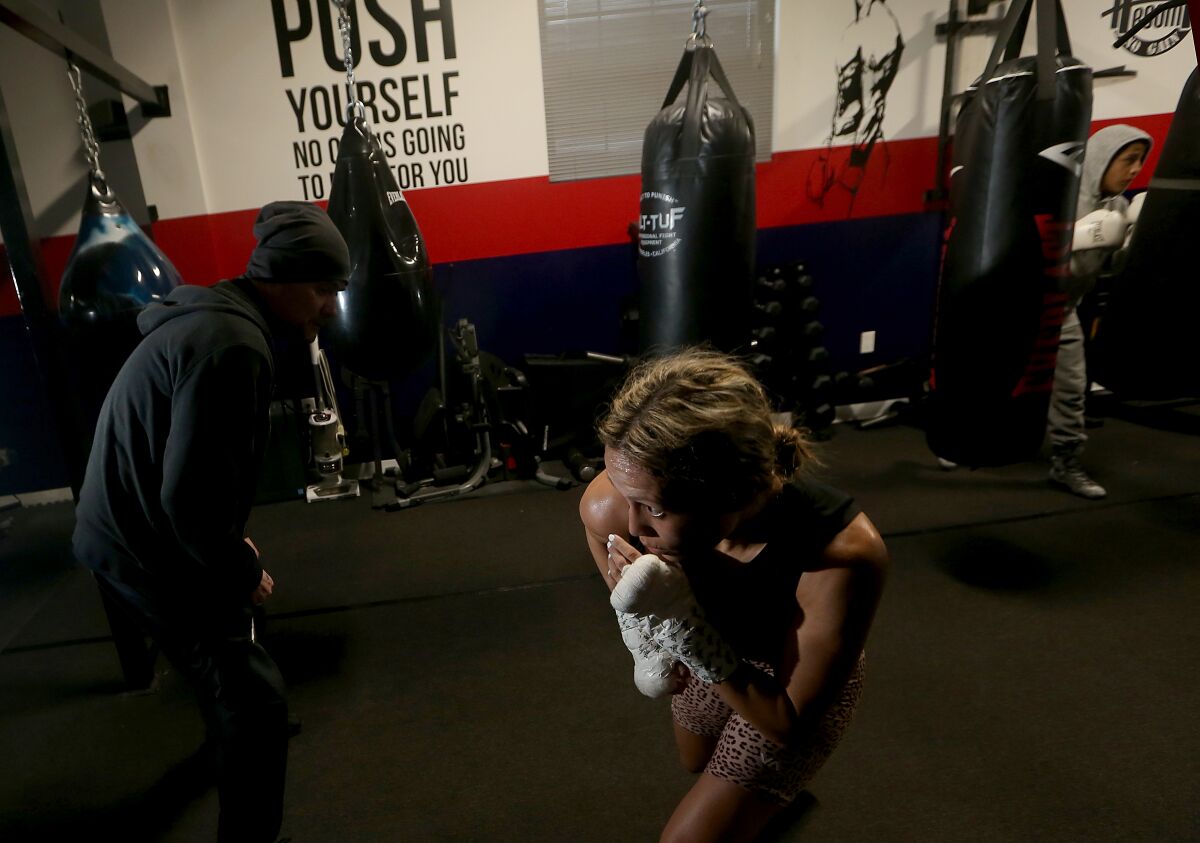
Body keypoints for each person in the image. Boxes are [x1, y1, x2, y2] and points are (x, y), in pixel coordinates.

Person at [72, 200, 350, 843]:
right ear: (278, 279)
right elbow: (191, 507)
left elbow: (194, 483)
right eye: (320, 289)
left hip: (133, 525)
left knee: (236, 640)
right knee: (256, 701)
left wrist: (226, 544)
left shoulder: (217, 317)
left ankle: (224, 734)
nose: (330, 307)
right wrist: (238, 563)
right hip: (139, 543)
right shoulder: (233, 345)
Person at [579, 349, 889, 842]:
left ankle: (764, 797)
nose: (633, 525)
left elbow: (785, 722)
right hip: (706, 634)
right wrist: (642, 634)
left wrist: (683, 628)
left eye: (652, 510)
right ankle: (750, 804)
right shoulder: (632, 488)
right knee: (694, 759)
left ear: (731, 497)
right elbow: (597, 525)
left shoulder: (841, 554)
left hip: (786, 677)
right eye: (627, 495)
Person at [1051, 124, 1153, 499]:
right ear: (1102, 159)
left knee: (1071, 390)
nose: (1134, 169)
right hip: (1018, 308)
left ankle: (1065, 463)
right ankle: (954, 438)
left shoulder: (1119, 206)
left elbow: (1108, 268)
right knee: (983, 381)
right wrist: (1075, 239)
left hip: (1064, 311)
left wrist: (1129, 243)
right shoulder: (1059, 196)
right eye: (1128, 160)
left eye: (1140, 161)